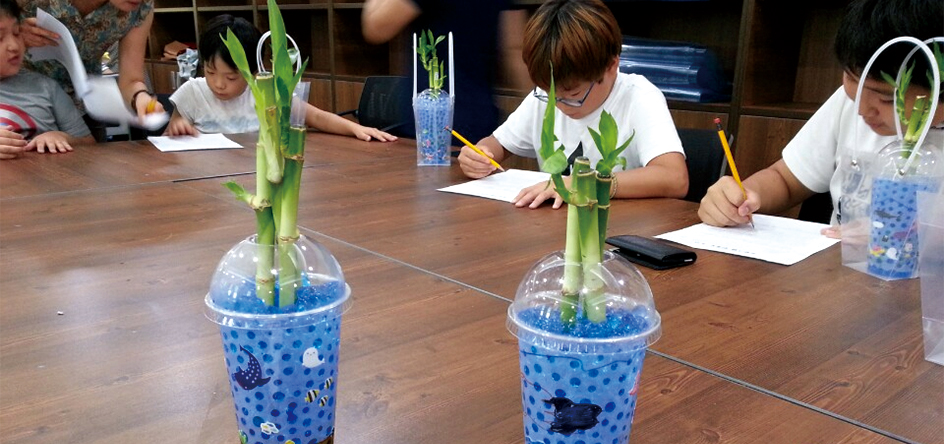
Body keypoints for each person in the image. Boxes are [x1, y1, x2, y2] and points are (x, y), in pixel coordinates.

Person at [697, 0, 944, 232]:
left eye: (886, 98)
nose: (861, 109)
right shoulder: (847, 103)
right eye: (851, 78)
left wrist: (904, 235)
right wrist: (743, 197)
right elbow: (784, 180)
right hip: (835, 272)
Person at [457, 0, 688, 209]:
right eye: (550, 94)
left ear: (611, 66)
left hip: (616, 237)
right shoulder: (546, 96)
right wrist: (480, 156)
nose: (559, 105)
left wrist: (584, 185)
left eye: (573, 94)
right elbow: (498, 144)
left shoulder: (638, 97)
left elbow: (674, 178)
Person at [163, 14, 395, 141]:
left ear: (254, 72)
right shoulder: (192, 92)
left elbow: (315, 116)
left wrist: (355, 129)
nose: (219, 84)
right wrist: (177, 128)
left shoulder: (267, 92)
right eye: (210, 72)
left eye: (232, 77)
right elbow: (170, 135)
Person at [361, 0, 529, 143]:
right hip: (480, 115)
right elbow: (515, 49)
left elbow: (376, 27)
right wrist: (545, 106)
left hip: (432, 119)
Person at [18, 0, 164, 136]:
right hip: (23, 101)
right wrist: (15, 31)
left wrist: (140, 97)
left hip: (84, 107)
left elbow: (131, 80)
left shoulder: (141, 8)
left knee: (92, 160)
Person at [0, 0, 93, 160]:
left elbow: (89, 143)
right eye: (0, 37)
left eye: (16, 33)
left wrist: (62, 137)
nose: (14, 46)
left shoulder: (46, 87)